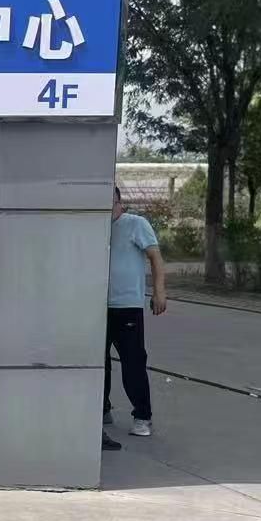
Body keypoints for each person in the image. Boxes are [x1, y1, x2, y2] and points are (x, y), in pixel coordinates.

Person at [105, 185, 166, 448]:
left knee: (133, 363)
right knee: (99, 363)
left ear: (119, 201)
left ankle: (142, 416)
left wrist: (159, 292)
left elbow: (155, 257)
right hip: (98, 306)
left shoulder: (135, 224)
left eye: (111, 200)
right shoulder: (96, 226)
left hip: (127, 306)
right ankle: (103, 409)